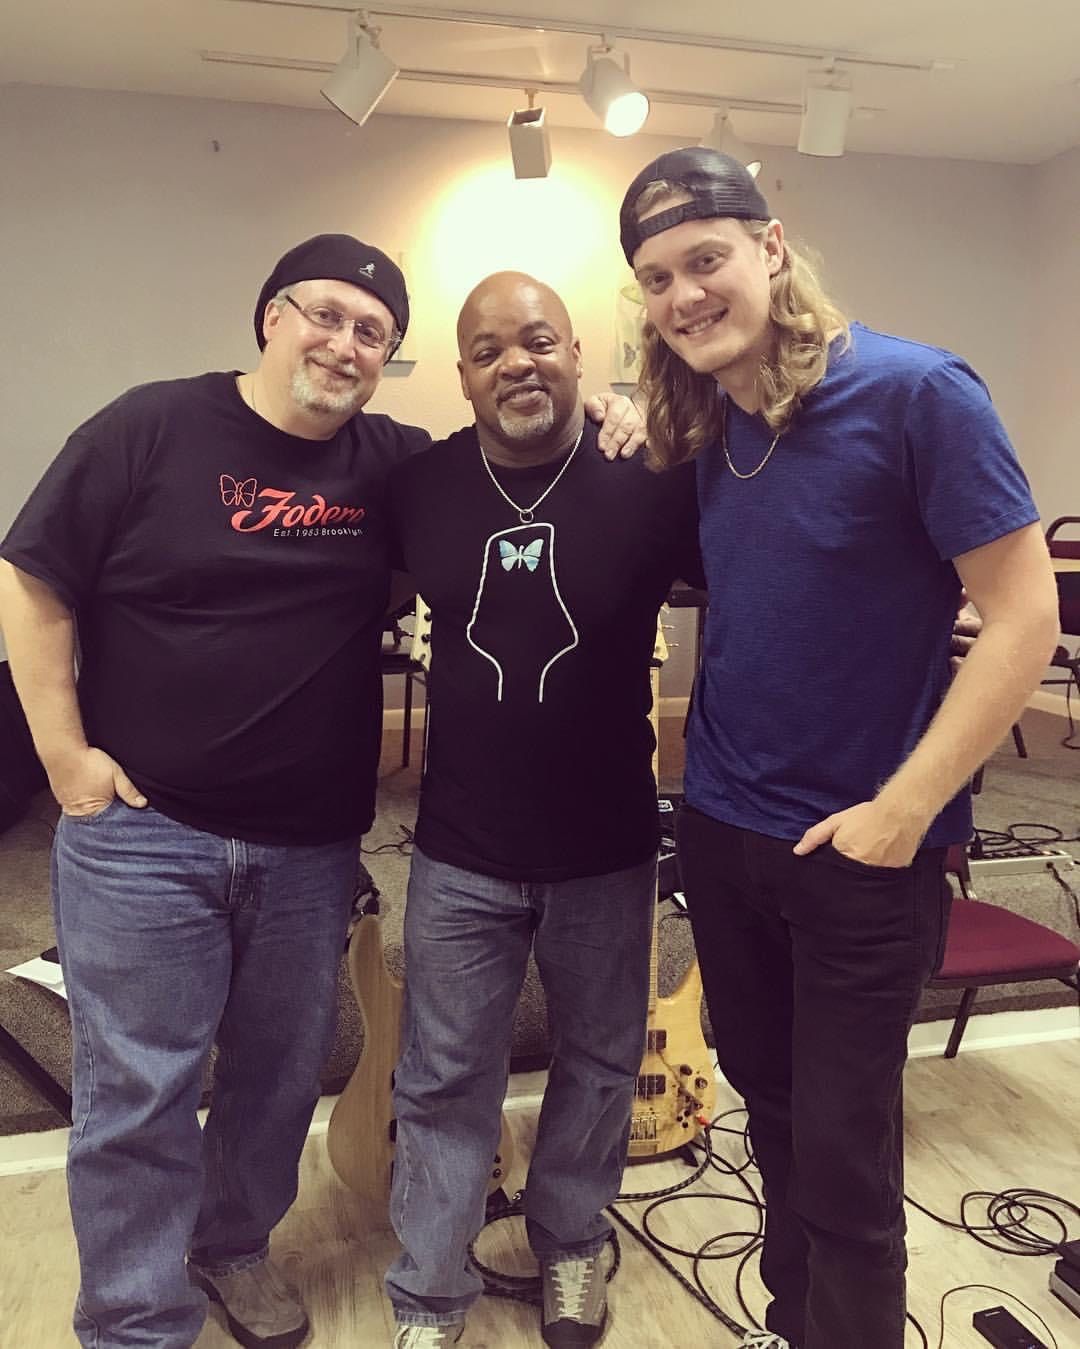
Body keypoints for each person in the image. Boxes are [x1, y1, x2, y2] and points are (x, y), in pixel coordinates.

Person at [0, 235, 643, 1349]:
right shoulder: (149, 426)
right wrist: (63, 754)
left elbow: (517, 452)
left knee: (279, 1077)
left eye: (373, 333)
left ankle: (233, 1246)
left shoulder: (393, 466)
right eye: (326, 315)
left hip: (308, 844)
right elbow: (32, 577)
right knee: (141, 1090)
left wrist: (614, 411)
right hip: (146, 831)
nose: (345, 344)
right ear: (272, 317)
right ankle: (135, 1318)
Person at [616, 147, 1060, 1349]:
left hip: (861, 851)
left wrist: (904, 810)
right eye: (657, 278)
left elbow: (1024, 619)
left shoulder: (918, 393)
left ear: (771, 247)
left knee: (846, 1164)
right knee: (771, 1119)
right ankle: (794, 1322)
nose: (685, 295)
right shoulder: (710, 423)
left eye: (705, 259)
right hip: (725, 832)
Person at [382, 271, 702, 1349]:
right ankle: (429, 1292)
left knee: (603, 1061)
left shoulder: (651, 477)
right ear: (462, 374)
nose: (516, 362)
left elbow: (765, 581)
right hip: (459, 849)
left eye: (537, 341)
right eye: (488, 350)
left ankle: (571, 1240)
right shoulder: (418, 485)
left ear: (576, 352)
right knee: (441, 1076)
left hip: (608, 847)